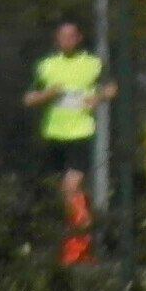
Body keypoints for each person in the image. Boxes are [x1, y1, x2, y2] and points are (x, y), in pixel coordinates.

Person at [33, 15, 110, 246]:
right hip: (53, 133)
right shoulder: (46, 66)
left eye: (71, 36)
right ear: (57, 39)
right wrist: (48, 94)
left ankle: (83, 230)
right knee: (61, 190)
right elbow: (29, 98)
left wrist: (98, 97)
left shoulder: (92, 64)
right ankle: (74, 232)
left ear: (78, 38)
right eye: (62, 36)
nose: (66, 40)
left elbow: (111, 87)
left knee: (71, 185)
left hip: (81, 132)